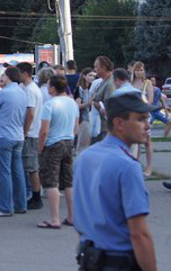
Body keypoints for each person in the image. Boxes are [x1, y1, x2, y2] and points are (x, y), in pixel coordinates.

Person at [74, 92, 157, 271]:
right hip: (118, 261)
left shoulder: (86, 157)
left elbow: (81, 215)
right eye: (141, 119)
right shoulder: (127, 166)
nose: (148, 125)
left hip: (89, 259)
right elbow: (139, 234)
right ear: (119, 123)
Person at [37, 75, 79, 229]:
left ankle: (54, 218)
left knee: (51, 182)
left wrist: (40, 149)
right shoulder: (72, 103)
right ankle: (72, 216)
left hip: (53, 144)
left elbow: (44, 131)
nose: (48, 89)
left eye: (49, 86)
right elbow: (76, 127)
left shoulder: (50, 104)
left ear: (53, 88)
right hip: (68, 142)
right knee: (68, 181)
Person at [0, 67, 28, 217]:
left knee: (4, 173)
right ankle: (20, 204)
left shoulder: (3, 93)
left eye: (4, 75)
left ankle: (5, 207)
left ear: (9, 77)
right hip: (18, 135)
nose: (2, 77)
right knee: (18, 171)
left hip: (4, 135)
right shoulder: (23, 93)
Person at [17, 62, 44, 210]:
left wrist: (24, 133)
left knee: (31, 167)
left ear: (25, 74)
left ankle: (35, 197)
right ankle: (34, 195)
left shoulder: (29, 91)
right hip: (34, 131)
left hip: (31, 133)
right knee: (31, 166)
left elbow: (30, 113)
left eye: (19, 73)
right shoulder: (33, 88)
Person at [130, 61, 154, 177]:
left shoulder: (147, 83)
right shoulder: (130, 83)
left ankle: (149, 167)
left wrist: (143, 109)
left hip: (144, 115)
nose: (139, 72)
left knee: (147, 141)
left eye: (141, 70)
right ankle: (135, 164)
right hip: (133, 115)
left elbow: (150, 100)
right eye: (137, 70)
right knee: (135, 142)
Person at [92, 56, 115, 143]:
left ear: (104, 67)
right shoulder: (103, 81)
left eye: (96, 66)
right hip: (102, 125)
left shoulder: (110, 83)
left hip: (108, 126)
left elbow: (109, 106)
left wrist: (96, 104)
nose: (95, 69)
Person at [73, 68, 95, 153]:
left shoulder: (90, 88)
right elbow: (78, 105)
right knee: (83, 143)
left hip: (90, 117)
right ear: (84, 76)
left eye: (93, 76)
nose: (92, 77)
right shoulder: (80, 89)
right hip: (83, 118)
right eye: (90, 75)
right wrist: (88, 102)